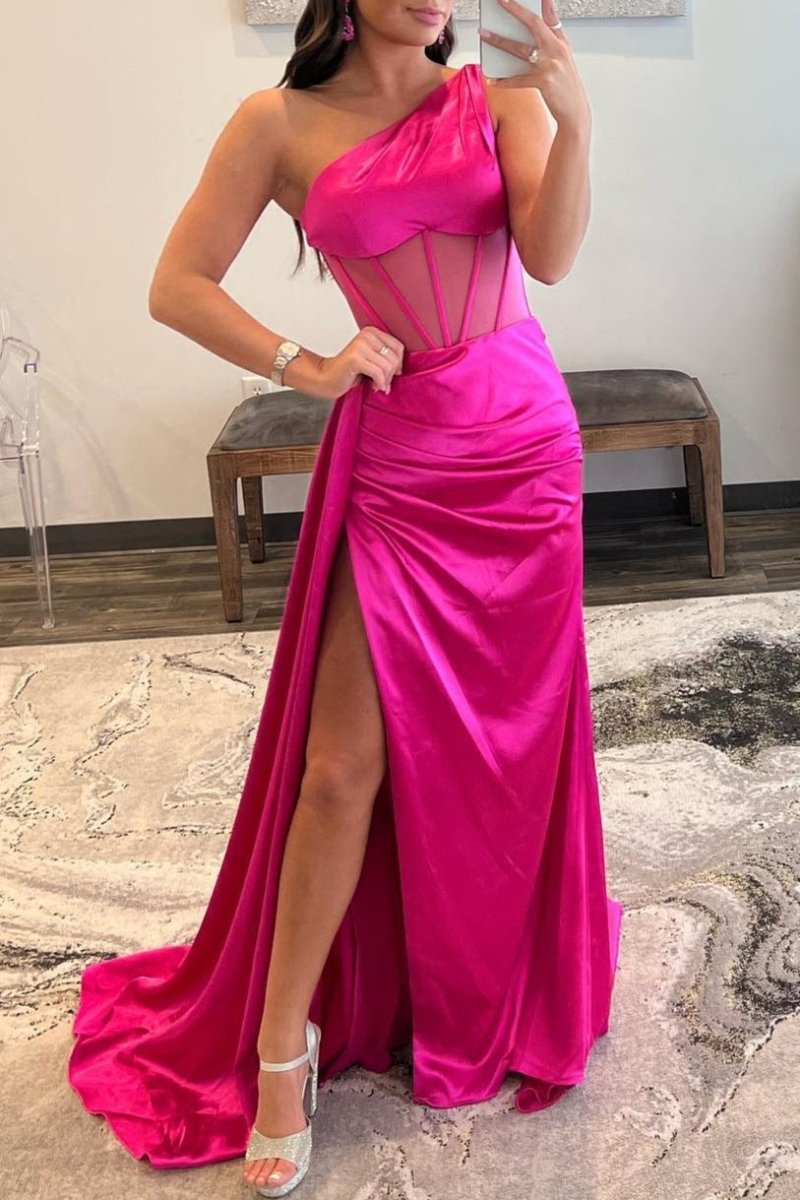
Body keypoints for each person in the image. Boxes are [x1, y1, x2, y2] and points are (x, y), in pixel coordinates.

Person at [67, 1, 624, 1196]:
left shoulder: (497, 93)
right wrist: (306, 365)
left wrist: (574, 120)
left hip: (520, 446)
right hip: (400, 455)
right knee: (337, 770)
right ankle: (282, 1049)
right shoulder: (275, 122)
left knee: (507, 747)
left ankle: (475, 987)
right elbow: (177, 285)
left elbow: (548, 255)